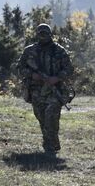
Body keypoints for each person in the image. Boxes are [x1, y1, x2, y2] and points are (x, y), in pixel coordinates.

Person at [16, 22, 74, 155]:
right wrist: (32, 75)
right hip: (36, 91)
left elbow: (69, 69)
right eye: (41, 34)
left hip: (54, 89)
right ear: (37, 35)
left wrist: (57, 78)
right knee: (41, 118)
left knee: (51, 117)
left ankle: (51, 147)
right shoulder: (29, 51)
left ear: (50, 35)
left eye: (45, 34)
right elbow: (19, 68)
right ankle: (49, 143)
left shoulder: (59, 51)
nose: (43, 36)